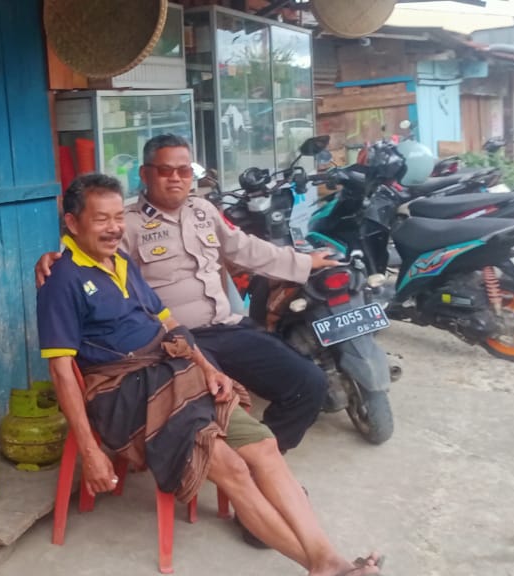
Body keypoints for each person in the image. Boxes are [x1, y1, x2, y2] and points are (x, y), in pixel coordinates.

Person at [38, 173, 382, 576]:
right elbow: (62, 373)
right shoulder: (61, 281)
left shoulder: (121, 261)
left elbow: (168, 322)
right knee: (233, 470)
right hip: (127, 393)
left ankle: (329, 561)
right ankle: (324, 567)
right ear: (72, 223)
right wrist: (91, 451)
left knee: (265, 447)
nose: (115, 228)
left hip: (177, 373)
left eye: (118, 217)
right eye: (101, 219)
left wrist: (206, 367)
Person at [38, 134, 336, 454]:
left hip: (226, 327)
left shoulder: (203, 210)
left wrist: (305, 262)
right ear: (145, 174)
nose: (176, 178)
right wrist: (52, 259)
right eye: (166, 170)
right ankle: (236, 465)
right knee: (216, 402)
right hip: (175, 343)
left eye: (184, 171)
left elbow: (245, 248)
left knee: (309, 382)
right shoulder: (127, 224)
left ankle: (266, 458)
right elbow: (86, 257)